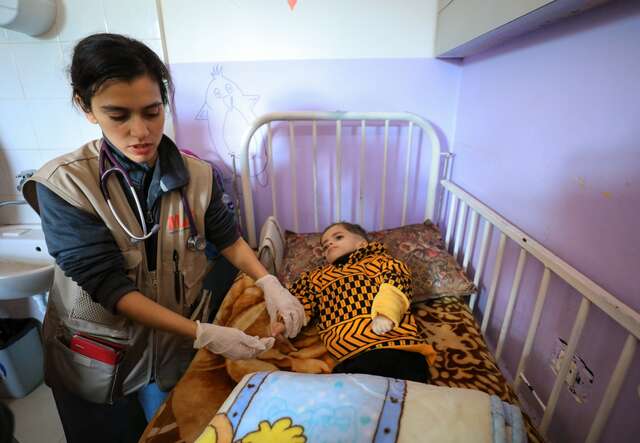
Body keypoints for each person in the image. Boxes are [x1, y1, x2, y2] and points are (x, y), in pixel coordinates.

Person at [21, 33, 304, 443]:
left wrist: (268, 282)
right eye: (118, 115)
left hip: (169, 355)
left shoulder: (198, 175)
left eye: (152, 111)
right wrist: (204, 333)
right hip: (97, 360)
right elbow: (108, 286)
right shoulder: (65, 184)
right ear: (85, 107)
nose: (141, 131)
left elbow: (229, 238)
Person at [285, 222, 436, 383]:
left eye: (338, 237)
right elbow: (300, 300)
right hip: (351, 357)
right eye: (324, 245)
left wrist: (386, 313)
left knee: (407, 398)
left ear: (362, 244)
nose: (329, 243)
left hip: (395, 346)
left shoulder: (380, 262)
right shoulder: (316, 277)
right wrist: (284, 321)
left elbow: (395, 284)